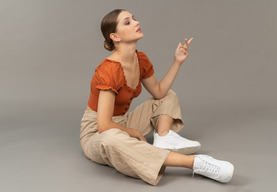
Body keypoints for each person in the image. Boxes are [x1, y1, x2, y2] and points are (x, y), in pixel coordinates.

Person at [80, 9, 234, 186]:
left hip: (122, 122)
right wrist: (135, 133)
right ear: (115, 36)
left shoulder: (140, 59)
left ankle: (163, 136)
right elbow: (104, 125)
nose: (137, 23)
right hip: (96, 132)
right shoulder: (109, 69)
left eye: (134, 19)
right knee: (111, 139)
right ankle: (197, 163)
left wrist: (177, 61)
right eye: (128, 22)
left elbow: (159, 93)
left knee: (168, 96)